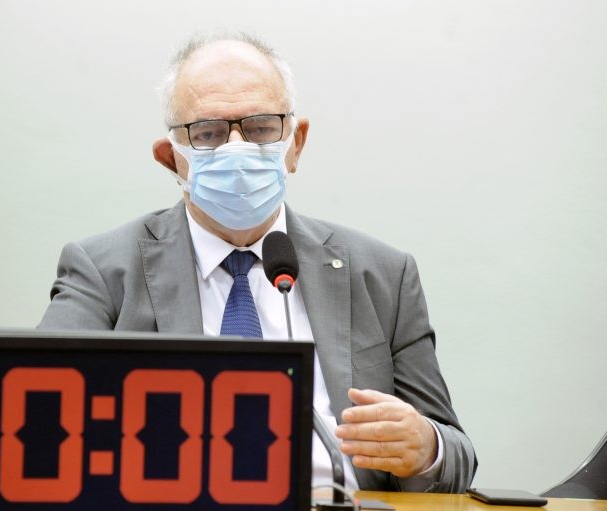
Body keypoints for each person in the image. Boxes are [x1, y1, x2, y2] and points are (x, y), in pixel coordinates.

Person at [39, 31, 476, 493]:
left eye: (261, 128)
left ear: (296, 143)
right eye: (207, 133)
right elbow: (39, 421)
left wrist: (426, 448)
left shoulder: (383, 275)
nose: (237, 148)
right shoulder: (103, 272)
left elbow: (457, 455)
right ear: (171, 159)